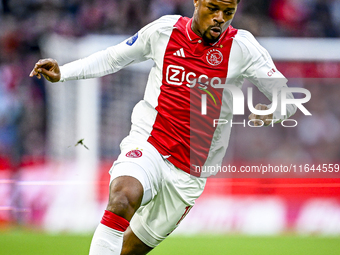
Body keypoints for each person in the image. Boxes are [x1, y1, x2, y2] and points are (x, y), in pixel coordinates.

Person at [29, 0, 296, 254]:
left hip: (190, 174)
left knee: (127, 250)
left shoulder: (242, 47)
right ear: (196, 2)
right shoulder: (164, 31)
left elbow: (287, 99)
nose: (220, 19)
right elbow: (113, 58)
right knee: (123, 196)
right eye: (213, 8)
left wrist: (273, 113)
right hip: (150, 145)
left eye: (228, 12)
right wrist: (64, 72)